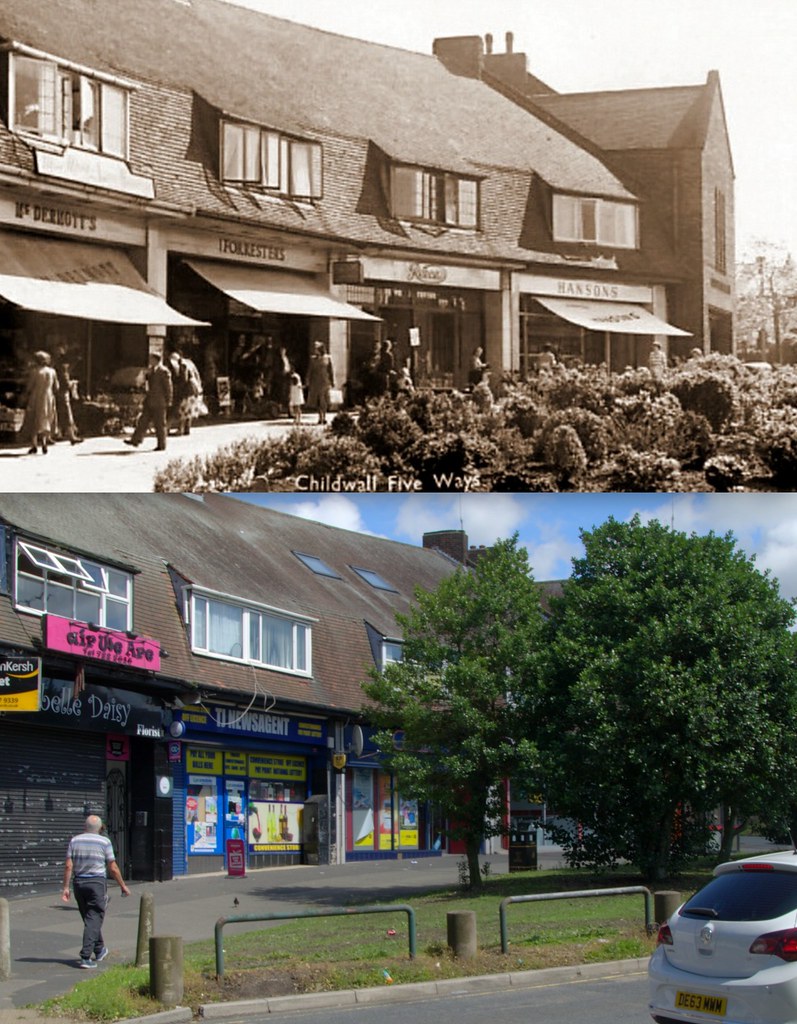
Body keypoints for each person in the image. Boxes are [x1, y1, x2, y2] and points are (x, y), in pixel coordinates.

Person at [62, 814, 130, 969]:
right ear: (100, 828)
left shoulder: (75, 840)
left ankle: (99, 950)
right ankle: (85, 956)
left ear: (84, 827)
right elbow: (112, 867)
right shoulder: (104, 842)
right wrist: (123, 885)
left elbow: (68, 866)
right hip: (96, 883)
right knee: (94, 917)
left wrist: (66, 888)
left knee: (90, 918)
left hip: (79, 883)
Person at [125, 350, 173, 451]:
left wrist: (169, 400)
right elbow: (145, 382)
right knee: (143, 421)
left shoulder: (164, 371)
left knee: (159, 424)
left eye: (151, 359)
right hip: (150, 400)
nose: (150, 361)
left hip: (160, 402)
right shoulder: (151, 370)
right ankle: (136, 440)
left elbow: (168, 387)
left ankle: (161, 445)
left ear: (156, 360)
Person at [22, 350, 59, 455]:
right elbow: (57, 386)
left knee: (34, 419)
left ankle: (34, 445)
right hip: (49, 397)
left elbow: (29, 386)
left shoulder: (35, 372)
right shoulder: (52, 371)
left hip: (36, 397)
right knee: (46, 419)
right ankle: (44, 443)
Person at [53, 349, 81, 445]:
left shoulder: (56, 368)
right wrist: (72, 383)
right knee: (67, 415)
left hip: (56, 394)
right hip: (63, 394)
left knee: (59, 414)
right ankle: (71, 436)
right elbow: (65, 384)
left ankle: (59, 434)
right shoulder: (63, 371)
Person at [306, 340, 335, 424]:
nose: (315, 350)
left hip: (325, 381)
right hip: (316, 382)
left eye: (316, 348)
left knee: (323, 400)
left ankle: (324, 417)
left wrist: (332, 381)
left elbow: (330, 371)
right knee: (318, 400)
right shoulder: (313, 359)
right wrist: (307, 380)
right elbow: (310, 370)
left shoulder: (327, 358)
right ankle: (320, 417)